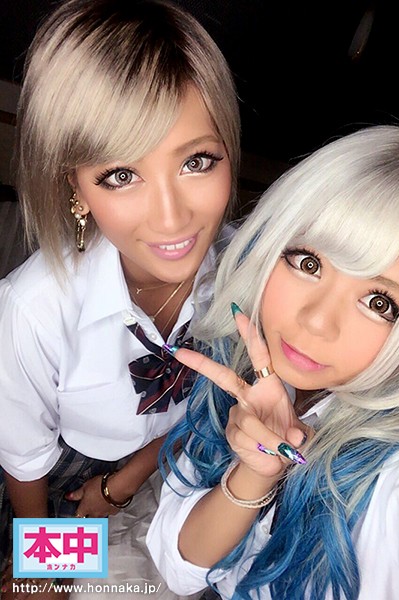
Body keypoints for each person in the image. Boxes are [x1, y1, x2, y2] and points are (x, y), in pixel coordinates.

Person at [147, 125, 399, 600]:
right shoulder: (31, 308)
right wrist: (255, 473)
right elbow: (176, 565)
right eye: (309, 263)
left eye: (380, 303)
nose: (316, 321)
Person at [0, 0, 239, 596]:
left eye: (197, 161)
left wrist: (127, 481)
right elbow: (25, 462)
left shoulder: (248, 274)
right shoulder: (35, 310)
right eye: (121, 175)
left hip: (184, 460)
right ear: (77, 189)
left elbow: (210, 409)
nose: (171, 217)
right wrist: (45, 562)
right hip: (60, 483)